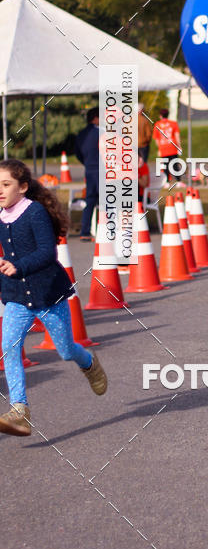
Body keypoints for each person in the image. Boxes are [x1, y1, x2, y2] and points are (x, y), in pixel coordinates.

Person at [0, 159, 107, 436]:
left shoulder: (34, 213)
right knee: (10, 349)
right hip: (16, 297)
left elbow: (48, 253)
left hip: (48, 294)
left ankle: (88, 363)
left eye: (6, 184)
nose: (0, 190)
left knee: (66, 349)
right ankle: (19, 411)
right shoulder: (1, 215)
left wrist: (19, 266)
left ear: (22, 187)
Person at [74, 106, 100, 241]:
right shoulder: (102, 133)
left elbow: (77, 152)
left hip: (89, 169)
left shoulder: (81, 134)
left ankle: (85, 231)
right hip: (102, 170)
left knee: (89, 201)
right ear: (95, 118)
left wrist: (86, 161)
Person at [152, 108, 181, 187]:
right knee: (175, 164)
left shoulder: (157, 124)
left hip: (163, 147)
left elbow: (157, 139)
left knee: (165, 165)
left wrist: (159, 148)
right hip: (172, 147)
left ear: (160, 116)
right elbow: (177, 136)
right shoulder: (173, 123)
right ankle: (178, 181)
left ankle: (167, 182)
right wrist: (179, 146)